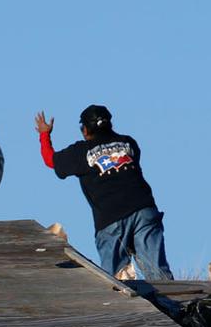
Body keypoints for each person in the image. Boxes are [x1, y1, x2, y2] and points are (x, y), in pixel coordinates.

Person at [36, 104, 173, 281]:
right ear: (110, 124)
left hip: (111, 218)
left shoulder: (80, 152)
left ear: (85, 130)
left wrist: (44, 134)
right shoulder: (128, 143)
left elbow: (50, 160)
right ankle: (174, 307)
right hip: (143, 209)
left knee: (117, 281)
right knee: (158, 274)